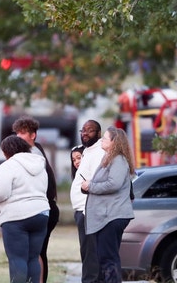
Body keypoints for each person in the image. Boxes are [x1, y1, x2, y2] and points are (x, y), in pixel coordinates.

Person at [0, 135, 50, 283]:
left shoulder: (8, 165)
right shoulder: (40, 165)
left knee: (18, 259)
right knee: (33, 258)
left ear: (6, 152)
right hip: (41, 213)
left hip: (16, 217)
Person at [81, 126, 135, 282]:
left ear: (114, 142)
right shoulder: (109, 158)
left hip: (112, 216)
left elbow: (114, 184)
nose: (101, 140)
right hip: (106, 216)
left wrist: (91, 186)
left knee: (108, 258)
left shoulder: (118, 160)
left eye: (105, 138)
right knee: (105, 257)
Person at [11, 116, 59, 283]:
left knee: (37, 253)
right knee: (36, 252)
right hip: (43, 208)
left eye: (23, 133)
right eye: (17, 133)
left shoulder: (33, 155)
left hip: (43, 208)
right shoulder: (32, 151)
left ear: (33, 135)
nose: (18, 136)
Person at [70, 120, 104, 283]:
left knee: (91, 254)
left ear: (98, 134)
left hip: (88, 210)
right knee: (87, 253)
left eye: (89, 130)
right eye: (82, 130)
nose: (85, 133)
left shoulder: (98, 153)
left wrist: (86, 210)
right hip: (83, 210)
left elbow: (97, 182)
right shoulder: (88, 152)